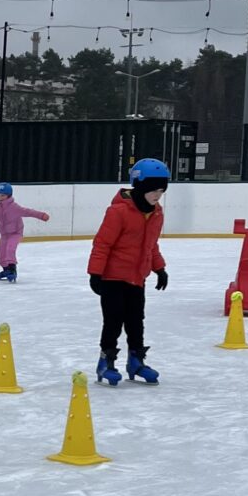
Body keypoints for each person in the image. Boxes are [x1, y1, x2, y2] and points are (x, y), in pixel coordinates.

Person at [87, 157, 169, 386]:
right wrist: (95, 273)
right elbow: (102, 244)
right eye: (153, 190)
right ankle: (106, 363)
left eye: (161, 191)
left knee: (136, 321)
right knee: (113, 321)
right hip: (112, 277)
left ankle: (136, 362)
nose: (157, 195)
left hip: (137, 278)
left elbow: (150, 245)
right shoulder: (118, 212)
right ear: (140, 187)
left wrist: (159, 268)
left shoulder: (156, 213)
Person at [0, 182, 49, 283]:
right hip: (4, 234)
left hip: (15, 233)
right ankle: (6, 270)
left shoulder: (14, 207)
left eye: (2, 195)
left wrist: (41, 215)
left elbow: (28, 212)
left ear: (9, 195)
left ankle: (12, 270)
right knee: (0, 253)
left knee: (10, 249)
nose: (0, 197)